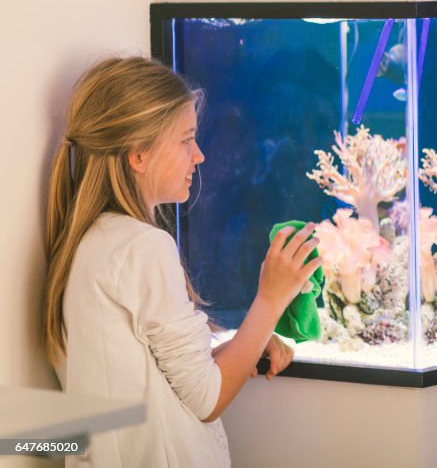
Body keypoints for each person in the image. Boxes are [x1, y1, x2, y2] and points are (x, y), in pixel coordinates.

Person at [43, 56, 322, 467]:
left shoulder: (91, 239)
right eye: (186, 139)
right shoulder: (142, 247)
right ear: (138, 155)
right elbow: (207, 400)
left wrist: (242, 344)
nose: (200, 156)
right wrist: (271, 299)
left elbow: (153, 372)